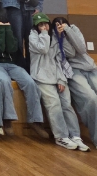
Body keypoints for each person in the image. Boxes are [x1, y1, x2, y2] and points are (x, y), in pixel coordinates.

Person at [0, 10, 49, 138]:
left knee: (30, 83)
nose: (3, 26)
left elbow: (12, 48)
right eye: (0, 24)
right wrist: (2, 30)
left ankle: (35, 120)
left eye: (5, 24)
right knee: (5, 82)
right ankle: (7, 119)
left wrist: (7, 31)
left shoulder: (10, 32)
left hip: (12, 64)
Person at [29, 13, 89, 151]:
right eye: (40, 25)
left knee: (67, 105)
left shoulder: (55, 38)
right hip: (42, 77)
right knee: (54, 105)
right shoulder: (33, 37)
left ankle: (75, 136)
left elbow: (61, 59)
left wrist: (61, 78)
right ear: (36, 27)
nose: (44, 27)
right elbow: (43, 49)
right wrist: (44, 34)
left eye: (46, 24)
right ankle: (61, 136)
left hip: (58, 76)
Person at [53, 17, 97, 149]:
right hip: (74, 71)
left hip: (90, 68)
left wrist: (68, 30)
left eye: (64, 24)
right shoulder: (55, 37)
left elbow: (82, 49)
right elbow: (71, 53)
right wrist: (61, 36)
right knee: (91, 98)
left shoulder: (74, 29)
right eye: (58, 25)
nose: (61, 26)